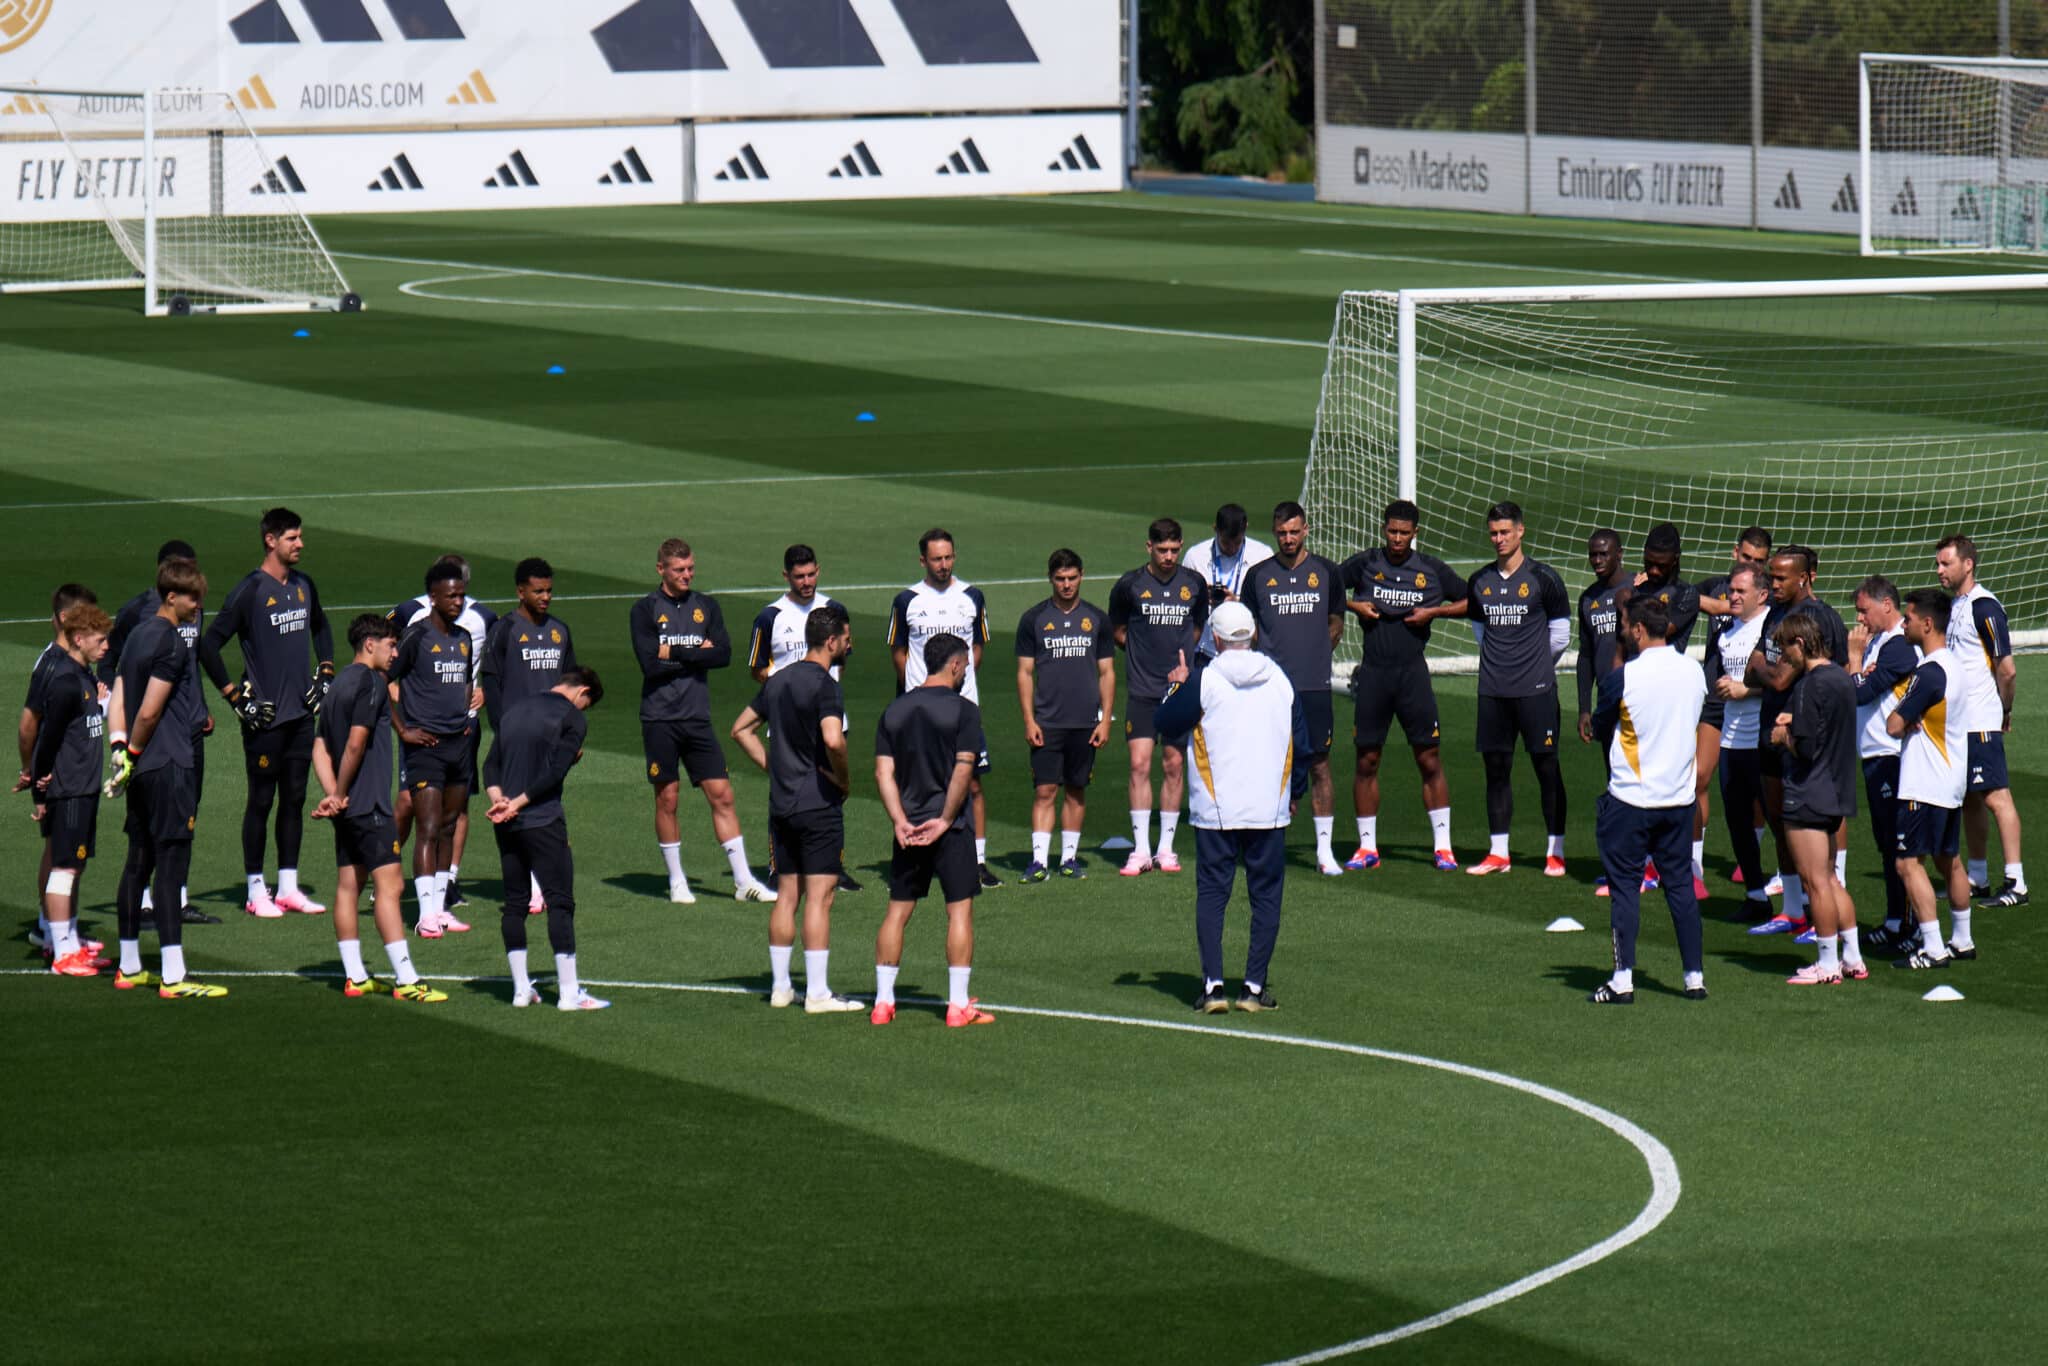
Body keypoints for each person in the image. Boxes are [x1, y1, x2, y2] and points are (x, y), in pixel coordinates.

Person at [1154, 602, 1309, 1013]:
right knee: (1266, 898)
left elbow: (1166, 722)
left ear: (1216, 639)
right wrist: (1295, 792)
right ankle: (1254, 989)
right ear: (1253, 634)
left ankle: (1213, 987)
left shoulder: (1203, 681)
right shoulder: (1280, 679)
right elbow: (1302, 742)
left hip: (1216, 809)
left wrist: (1176, 685)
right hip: (1268, 807)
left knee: (1212, 894)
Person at [198, 507, 334, 918]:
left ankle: (288, 886)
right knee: (261, 800)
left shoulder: (304, 585)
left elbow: (322, 628)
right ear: (271, 540)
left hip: (300, 716)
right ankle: (256, 890)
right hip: (265, 719)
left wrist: (325, 672)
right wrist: (235, 698)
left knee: (294, 798)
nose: (300, 544)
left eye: (300, 536)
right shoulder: (250, 591)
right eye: (293, 537)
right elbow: (208, 645)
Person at [730, 604, 863, 1013]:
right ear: (831, 641)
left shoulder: (778, 680)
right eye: (846, 637)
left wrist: (775, 768)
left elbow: (740, 729)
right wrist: (842, 779)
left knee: (787, 895)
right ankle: (818, 993)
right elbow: (834, 740)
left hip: (782, 803)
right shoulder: (826, 685)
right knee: (820, 897)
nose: (849, 643)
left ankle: (781, 987)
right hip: (818, 803)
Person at [107, 557, 226, 999]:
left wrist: (120, 750)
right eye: (191, 597)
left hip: (140, 770)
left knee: (138, 861)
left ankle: (130, 964)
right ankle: (174, 975)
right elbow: (152, 708)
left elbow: (119, 694)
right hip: (170, 763)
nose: (197, 606)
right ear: (170, 596)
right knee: (171, 866)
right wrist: (135, 750)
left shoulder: (137, 634)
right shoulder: (174, 643)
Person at [309, 614, 444, 1002]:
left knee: (349, 885)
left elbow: (319, 747)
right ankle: (406, 980)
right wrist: (343, 792)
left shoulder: (335, 687)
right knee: (391, 886)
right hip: (368, 804)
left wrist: (333, 793)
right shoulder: (371, 683)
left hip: (348, 806)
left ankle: (355, 976)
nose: (395, 652)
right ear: (370, 644)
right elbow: (355, 743)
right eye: (390, 645)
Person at [630, 537, 772, 905]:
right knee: (668, 798)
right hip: (660, 717)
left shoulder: (706, 606)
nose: (687, 575)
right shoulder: (645, 609)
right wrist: (695, 652)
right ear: (661, 569)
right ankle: (677, 880)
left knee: (722, 794)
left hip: (697, 717)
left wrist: (672, 651)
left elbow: (722, 654)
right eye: (679, 570)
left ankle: (743, 881)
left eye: (691, 568)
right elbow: (648, 663)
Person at [1586, 595, 1708, 1004]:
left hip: (1631, 801)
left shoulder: (1623, 679)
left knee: (1624, 888)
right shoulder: (1695, 672)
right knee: (1681, 888)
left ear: (1638, 629)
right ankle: (1694, 978)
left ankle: (1623, 980)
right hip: (1678, 801)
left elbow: (1602, 723)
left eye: (1625, 624)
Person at [871, 634, 994, 1027]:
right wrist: (943, 819)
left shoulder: (895, 710)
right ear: (956, 666)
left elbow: (883, 773)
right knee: (959, 912)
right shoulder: (964, 710)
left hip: (908, 828)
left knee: (897, 912)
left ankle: (883, 1003)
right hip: (951, 827)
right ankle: (958, 1007)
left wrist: (899, 821)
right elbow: (963, 769)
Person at [1337, 500, 1466, 871]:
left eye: (1403, 533)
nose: (1396, 538)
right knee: (1367, 759)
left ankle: (1443, 848)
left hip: (1413, 676)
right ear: (1384, 529)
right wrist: (1352, 606)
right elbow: (1327, 585)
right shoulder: (1365, 564)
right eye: (1391, 531)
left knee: (1428, 758)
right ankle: (1366, 848)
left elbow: (1473, 598)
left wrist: (1435, 612)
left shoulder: (1430, 570)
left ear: (1415, 533)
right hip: (1374, 674)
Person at [485, 667, 609, 1010]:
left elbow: (490, 767)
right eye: (586, 704)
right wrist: (520, 803)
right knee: (560, 901)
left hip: (505, 822)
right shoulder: (571, 718)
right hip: (543, 820)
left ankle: (521, 989)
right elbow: (553, 773)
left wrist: (501, 802)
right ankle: (570, 994)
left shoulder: (515, 711)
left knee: (514, 903)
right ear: (582, 692)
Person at [1744, 547, 1848, 935]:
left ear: (1804, 578)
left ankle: (1826, 909)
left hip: (1805, 737)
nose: (1773, 584)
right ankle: (1793, 909)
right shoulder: (1775, 611)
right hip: (1772, 731)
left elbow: (1777, 678)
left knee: (1813, 825)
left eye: (1781, 578)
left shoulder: (1817, 618)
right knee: (1780, 821)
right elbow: (1758, 669)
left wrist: (1761, 668)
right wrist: (1762, 669)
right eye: (1771, 577)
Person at [746, 544, 860, 893]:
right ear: (786, 576)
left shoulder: (834, 610)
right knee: (782, 792)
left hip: (828, 713)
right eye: (799, 576)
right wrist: (783, 688)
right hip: (787, 718)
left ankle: (834, 866)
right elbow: (756, 666)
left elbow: (844, 656)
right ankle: (778, 866)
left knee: (832, 792)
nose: (807, 581)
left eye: (811, 574)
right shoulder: (770, 617)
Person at [1465, 501, 1572, 876]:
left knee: (1546, 767)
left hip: (1536, 690)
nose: (1499, 539)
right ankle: (1499, 853)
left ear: (1521, 531)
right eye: (1493, 533)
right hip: (1493, 690)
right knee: (1496, 769)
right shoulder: (1479, 581)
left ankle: (1554, 851)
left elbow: (1560, 635)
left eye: (1505, 532)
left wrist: (1535, 665)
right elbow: (1482, 633)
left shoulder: (1544, 578)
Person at [888, 529, 998, 889]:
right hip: (918, 712)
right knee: (914, 782)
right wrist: (917, 690)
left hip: (963, 707)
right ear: (923, 560)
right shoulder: (907, 600)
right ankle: (916, 853)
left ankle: (978, 861)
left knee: (974, 783)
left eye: (949, 557)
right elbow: (899, 652)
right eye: (936, 558)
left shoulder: (972, 597)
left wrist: (958, 683)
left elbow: (977, 648)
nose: (944, 564)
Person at [390, 553, 496, 911]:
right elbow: (379, 678)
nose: (458, 602)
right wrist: (403, 728)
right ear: (433, 597)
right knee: (429, 826)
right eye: (451, 596)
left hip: (459, 741)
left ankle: (440, 907)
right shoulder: (415, 636)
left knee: (450, 825)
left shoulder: (465, 637)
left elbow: (466, 683)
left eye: (461, 596)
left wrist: (466, 713)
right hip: (426, 742)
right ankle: (424, 912)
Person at [1244, 501, 1345, 874]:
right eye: (1281, 532)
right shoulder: (1257, 576)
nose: (1288, 538)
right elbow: (1249, 627)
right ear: (1275, 533)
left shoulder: (1327, 572)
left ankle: (1323, 852)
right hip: (1270, 689)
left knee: (1319, 763)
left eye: (1294, 531)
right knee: (1270, 766)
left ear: (1305, 530)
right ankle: (1270, 847)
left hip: (1314, 685)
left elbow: (1337, 620)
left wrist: (1320, 648)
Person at [1107, 517, 1208, 875]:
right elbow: (1117, 630)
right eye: (1162, 550)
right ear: (1148, 547)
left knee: (1174, 764)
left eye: (1174, 550)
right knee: (1138, 765)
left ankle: (1165, 849)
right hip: (1142, 689)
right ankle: (1141, 849)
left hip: (1178, 690)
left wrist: (1180, 658)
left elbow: (1197, 627)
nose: (1168, 556)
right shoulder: (1129, 585)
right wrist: (1139, 655)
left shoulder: (1194, 584)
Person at [1768, 614, 1863, 985]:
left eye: (1785, 648)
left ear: (1802, 645)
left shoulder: (1809, 686)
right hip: (1836, 792)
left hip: (1808, 794)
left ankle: (1826, 964)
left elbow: (1805, 748)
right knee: (1832, 880)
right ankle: (1852, 957)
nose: (1782, 657)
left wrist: (1782, 736)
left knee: (1816, 882)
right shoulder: (1841, 679)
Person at [1886, 588, 1976, 970]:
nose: (1904, 624)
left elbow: (1893, 725)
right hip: (1951, 781)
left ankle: (1933, 947)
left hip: (1924, 783)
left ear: (1926, 623)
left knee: (1908, 864)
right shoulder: (1954, 668)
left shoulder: (1929, 672)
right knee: (1950, 860)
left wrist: (1903, 718)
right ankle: (1962, 938)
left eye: (1907, 618)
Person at [482, 557, 577, 914]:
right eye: (538, 591)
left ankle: (542, 882)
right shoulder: (505, 630)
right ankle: (528, 884)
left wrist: (572, 735)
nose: (546, 597)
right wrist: (502, 729)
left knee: (546, 804)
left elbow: (571, 684)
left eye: (549, 590)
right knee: (517, 809)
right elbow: (490, 681)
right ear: (520, 591)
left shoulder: (560, 631)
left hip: (552, 738)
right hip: (517, 737)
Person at [1934, 535, 2024, 907]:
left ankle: (2016, 882)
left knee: (1995, 797)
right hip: (1959, 722)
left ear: (1967, 564)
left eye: (1945, 564)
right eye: (1938, 563)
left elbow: (2007, 669)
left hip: (1981, 720)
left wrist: (2003, 711)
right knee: (1969, 797)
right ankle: (1978, 876)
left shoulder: (1985, 607)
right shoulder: (1956, 605)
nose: (1939, 570)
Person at [1015, 549, 1115, 882]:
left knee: (1076, 790)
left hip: (1085, 722)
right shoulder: (1034, 619)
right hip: (1048, 721)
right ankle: (1039, 862)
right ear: (1051, 579)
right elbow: (1025, 673)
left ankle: (1069, 860)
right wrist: (1029, 720)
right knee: (1045, 791)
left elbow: (1107, 673)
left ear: (1082, 576)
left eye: (1072, 578)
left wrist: (1104, 720)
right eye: (1060, 579)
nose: (1067, 585)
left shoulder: (1097, 619)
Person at [29, 601, 113, 977]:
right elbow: (46, 742)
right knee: (64, 869)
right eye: (100, 639)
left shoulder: (82, 677)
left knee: (73, 867)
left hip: (83, 788)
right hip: (70, 790)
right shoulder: (65, 682)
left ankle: (70, 940)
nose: (106, 646)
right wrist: (40, 793)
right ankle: (62, 951)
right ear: (79, 639)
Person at [19, 583, 101, 950]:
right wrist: (32, 773)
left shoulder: (77, 668)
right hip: (61, 775)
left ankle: (57, 928)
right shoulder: (52, 667)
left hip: (67, 772)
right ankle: (53, 932)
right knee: (60, 857)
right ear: (69, 622)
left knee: (64, 854)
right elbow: (29, 724)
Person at [1693, 527, 1774, 893]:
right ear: (1734, 553)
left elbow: (1783, 676)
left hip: (1761, 723)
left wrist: (1748, 689)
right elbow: (1682, 596)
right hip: (1721, 714)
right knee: (1705, 784)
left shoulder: (1772, 621)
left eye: (1759, 562)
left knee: (1773, 805)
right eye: (1746, 558)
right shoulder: (1720, 607)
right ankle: (1698, 867)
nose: (1752, 565)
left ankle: (1790, 892)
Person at [1844, 577, 1918, 954]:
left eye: (1864, 609)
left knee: (1899, 845)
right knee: (1887, 844)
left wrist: (1854, 660)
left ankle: (1911, 926)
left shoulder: (1899, 646)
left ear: (1887, 605)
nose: (1860, 617)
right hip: (1875, 755)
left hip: (1892, 756)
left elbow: (1859, 692)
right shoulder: (1877, 643)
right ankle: (1896, 922)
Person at [1632, 524, 1705, 895]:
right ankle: (1644, 864)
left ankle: (1686, 866)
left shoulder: (1686, 594)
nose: (1655, 570)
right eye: (1649, 563)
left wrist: (1632, 599)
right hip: (1640, 694)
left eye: (1661, 564)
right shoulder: (1639, 590)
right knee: (1637, 779)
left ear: (1675, 561)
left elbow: (1662, 628)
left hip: (1673, 699)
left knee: (1678, 782)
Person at [1708, 564, 1773, 918]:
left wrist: (1744, 689)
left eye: (1740, 591)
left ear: (1761, 595)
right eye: (1730, 590)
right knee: (1737, 821)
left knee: (1780, 825)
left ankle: (1800, 901)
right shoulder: (1727, 632)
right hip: (1731, 742)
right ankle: (1756, 896)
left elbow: (1783, 684)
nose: (1732, 596)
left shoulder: (1771, 628)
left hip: (1763, 741)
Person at [1183, 503, 1275, 659]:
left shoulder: (1263, 555)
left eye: (1237, 543)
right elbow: (1183, 603)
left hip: (1247, 652)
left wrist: (1238, 601)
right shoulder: (1195, 556)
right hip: (1205, 651)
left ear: (1246, 528)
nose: (1232, 548)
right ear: (1215, 529)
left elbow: (1270, 604)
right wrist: (1201, 598)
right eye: (1226, 543)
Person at [1574, 528, 1628, 746]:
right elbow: (1586, 656)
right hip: (1607, 697)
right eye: (1593, 555)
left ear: (1619, 554)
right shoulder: (1588, 599)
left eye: (1603, 554)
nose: (1597, 560)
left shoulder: (1639, 587)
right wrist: (1584, 709)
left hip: (1638, 694)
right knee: (1613, 770)